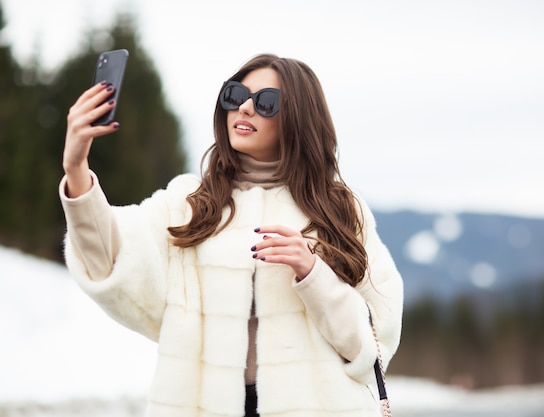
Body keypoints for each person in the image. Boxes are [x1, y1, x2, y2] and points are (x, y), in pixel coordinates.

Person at [59, 53, 403, 417]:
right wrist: (76, 169)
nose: (246, 108)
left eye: (267, 102)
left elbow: (372, 351)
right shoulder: (189, 204)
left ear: (299, 118)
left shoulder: (340, 210)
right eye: (235, 95)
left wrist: (313, 273)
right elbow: (111, 259)